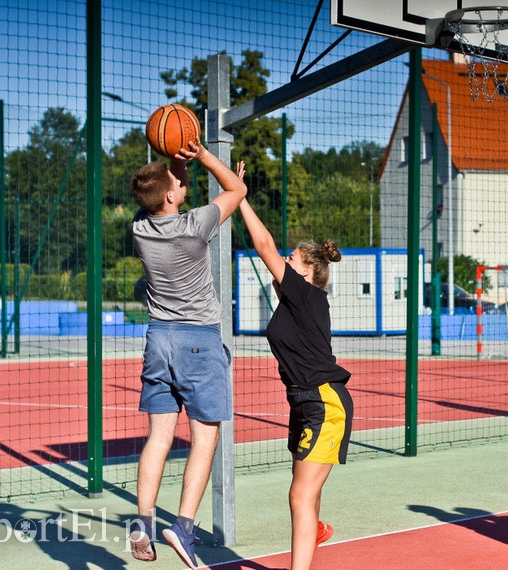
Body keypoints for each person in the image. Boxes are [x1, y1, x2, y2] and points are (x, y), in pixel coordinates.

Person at [127, 140, 246, 569]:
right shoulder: (195, 225)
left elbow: (160, 190)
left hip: (158, 340)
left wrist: (175, 161)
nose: (183, 183)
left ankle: (142, 519)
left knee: (159, 437)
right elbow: (237, 191)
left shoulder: (141, 228)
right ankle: (183, 526)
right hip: (198, 340)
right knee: (205, 438)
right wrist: (207, 158)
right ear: (173, 197)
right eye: (179, 182)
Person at [238, 195, 353, 570]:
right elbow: (273, 261)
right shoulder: (292, 301)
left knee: (299, 496)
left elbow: (263, 245)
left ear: (305, 273)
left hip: (324, 403)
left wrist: (238, 195)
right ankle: (314, 529)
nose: (283, 261)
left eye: (291, 259)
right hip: (303, 401)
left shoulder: (307, 295)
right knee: (305, 490)